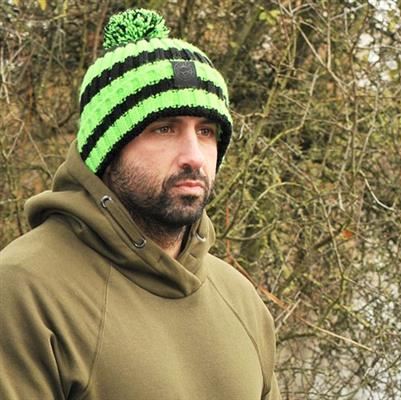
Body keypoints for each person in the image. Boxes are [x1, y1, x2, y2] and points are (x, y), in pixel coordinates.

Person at [0, 8, 280, 400]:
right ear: (107, 152)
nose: (194, 156)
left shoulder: (241, 300)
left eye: (206, 131)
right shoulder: (23, 290)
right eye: (164, 129)